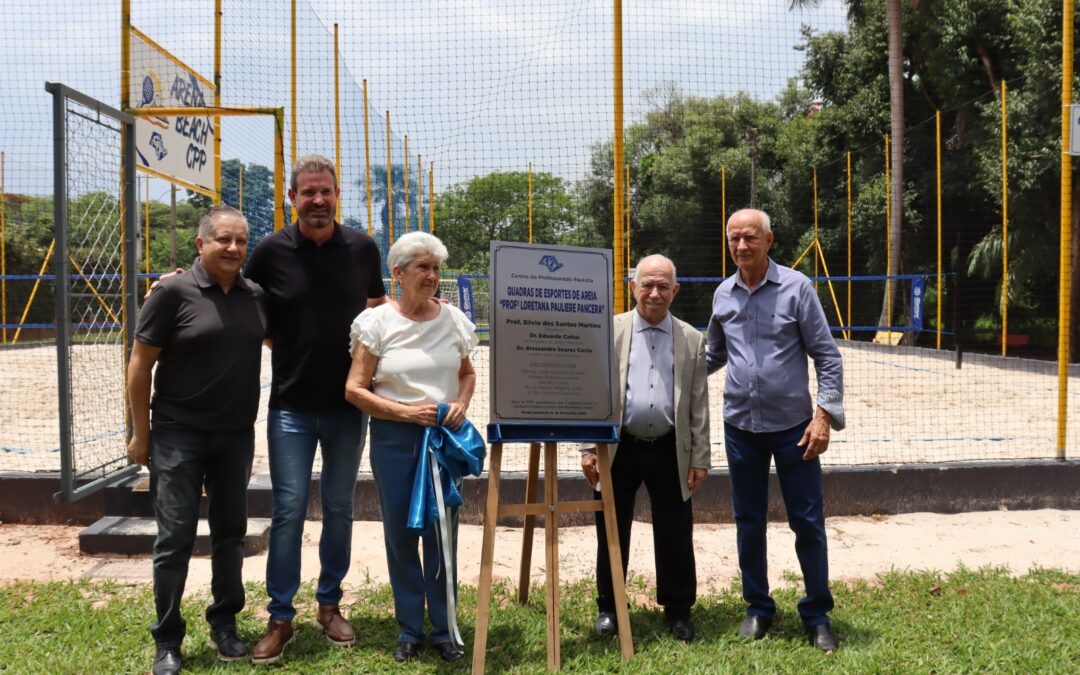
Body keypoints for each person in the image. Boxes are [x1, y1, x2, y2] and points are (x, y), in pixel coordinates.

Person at [248, 155, 388, 664]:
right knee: (287, 511)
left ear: (336, 194)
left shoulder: (363, 248)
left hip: (349, 407)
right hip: (290, 407)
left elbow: (377, 310)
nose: (317, 200)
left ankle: (329, 605)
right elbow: (253, 314)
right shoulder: (268, 252)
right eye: (307, 192)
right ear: (292, 198)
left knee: (339, 507)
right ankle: (280, 616)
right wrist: (291, 354)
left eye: (325, 191)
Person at [126, 206, 268, 675]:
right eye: (223, 240)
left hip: (234, 436)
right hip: (177, 434)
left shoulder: (254, 295)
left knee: (230, 535)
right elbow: (139, 367)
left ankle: (224, 623)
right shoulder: (170, 293)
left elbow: (290, 338)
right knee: (175, 539)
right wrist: (140, 436)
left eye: (241, 241)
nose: (233, 249)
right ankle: (167, 638)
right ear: (200, 243)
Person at [705, 208, 845, 653]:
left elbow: (827, 355)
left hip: (795, 429)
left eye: (749, 238)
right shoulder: (722, 294)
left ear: (769, 240)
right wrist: (668, 369)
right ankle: (758, 607)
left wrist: (823, 416)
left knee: (807, 521)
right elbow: (712, 354)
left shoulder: (797, 289)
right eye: (734, 239)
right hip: (740, 426)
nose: (741, 246)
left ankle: (817, 613)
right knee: (748, 521)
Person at [344, 231, 478, 663]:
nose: (432, 275)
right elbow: (354, 389)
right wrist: (406, 414)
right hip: (394, 439)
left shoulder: (454, 320)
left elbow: (467, 373)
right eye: (423, 267)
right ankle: (408, 628)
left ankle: (443, 629)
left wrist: (459, 403)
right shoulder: (376, 324)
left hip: (442, 440)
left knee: (443, 533)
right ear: (398, 273)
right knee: (401, 536)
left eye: (437, 268)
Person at [580, 254, 710, 643]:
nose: (654, 293)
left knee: (675, 530)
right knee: (611, 529)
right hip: (618, 448)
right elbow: (592, 392)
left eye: (663, 286)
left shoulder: (690, 337)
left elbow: (698, 402)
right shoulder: (609, 330)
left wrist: (700, 456)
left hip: (671, 449)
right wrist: (589, 447)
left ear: (676, 290)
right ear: (632, 286)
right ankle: (609, 607)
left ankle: (678, 609)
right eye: (647, 285)